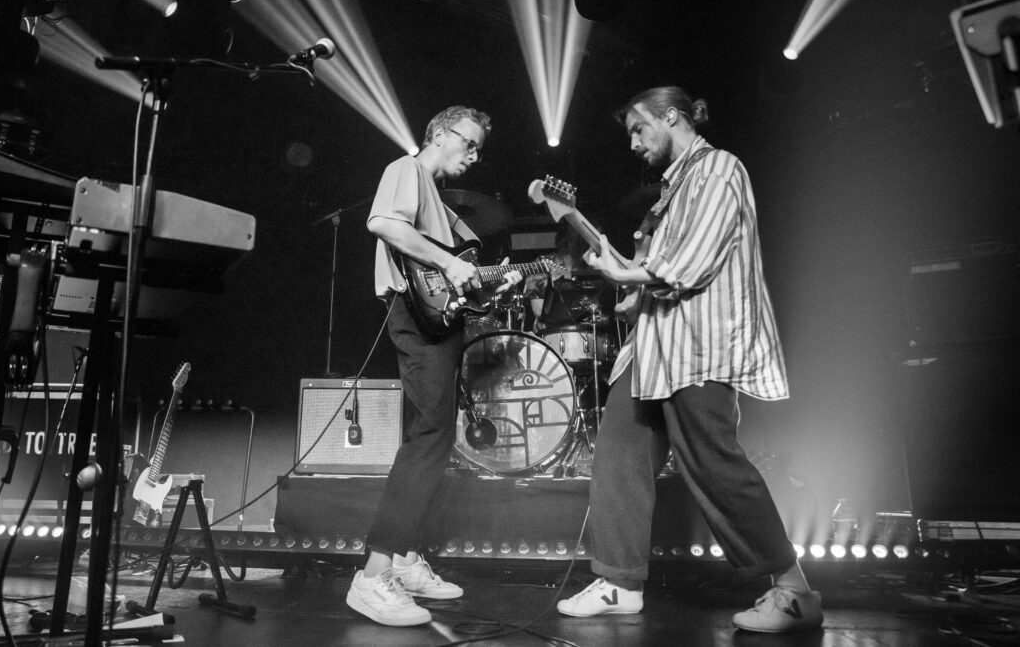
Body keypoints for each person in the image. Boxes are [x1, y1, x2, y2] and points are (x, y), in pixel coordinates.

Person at [556, 86, 823, 633]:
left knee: (712, 462)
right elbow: (649, 281)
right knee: (618, 453)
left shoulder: (719, 168)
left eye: (638, 128)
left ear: (671, 116)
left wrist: (627, 275)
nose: (632, 142)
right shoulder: (667, 195)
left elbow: (692, 264)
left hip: (699, 346)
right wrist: (625, 282)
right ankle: (619, 581)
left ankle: (794, 590)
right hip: (651, 348)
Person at [347, 105, 520, 627]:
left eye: (479, 148)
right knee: (429, 437)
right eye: (468, 142)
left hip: (441, 323)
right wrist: (450, 261)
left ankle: (401, 559)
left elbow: (461, 272)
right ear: (440, 134)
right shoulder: (408, 170)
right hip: (415, 319)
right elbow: (381, 222)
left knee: (436, 436)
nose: (474, 153)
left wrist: (499, 279)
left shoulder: (442, 205)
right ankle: (372, 576)